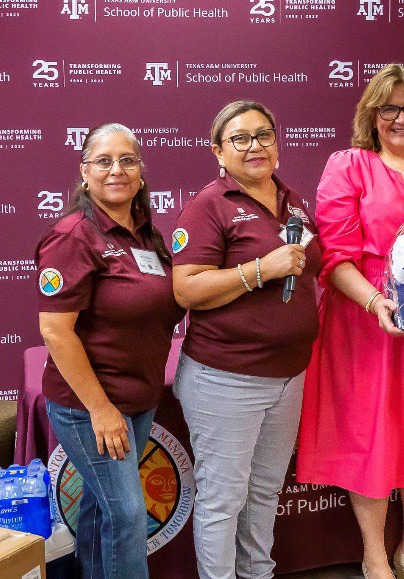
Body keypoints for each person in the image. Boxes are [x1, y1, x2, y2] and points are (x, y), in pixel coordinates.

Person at [296, 64, 404, 579]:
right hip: (365, 321)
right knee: (369, 434)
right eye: (388, 107)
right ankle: (374, 554)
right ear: (371, 114)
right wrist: (375, 302)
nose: (400, 118)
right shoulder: (349, 165)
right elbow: (335, 256)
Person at [171, 100, 322, 579]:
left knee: (264, 491)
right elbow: (187, 289)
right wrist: (261, 269)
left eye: (264, 135)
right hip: (225, 378)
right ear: (219, 151)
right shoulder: (209, 206)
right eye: (240, 138)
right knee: (222, 499)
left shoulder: (292, 201)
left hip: (288, 376)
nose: (254, 146)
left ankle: (258, 574)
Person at [35, 123, 184, 579]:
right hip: (92, 408)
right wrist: (100, 410)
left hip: (136, 402)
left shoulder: (145, 234)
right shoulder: (73, 236)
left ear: (141, 173)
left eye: (128, 160)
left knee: (102, 511)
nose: (116, 170)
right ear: (84, 173)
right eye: (104, 161)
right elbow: (57, 331)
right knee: (126, 516)